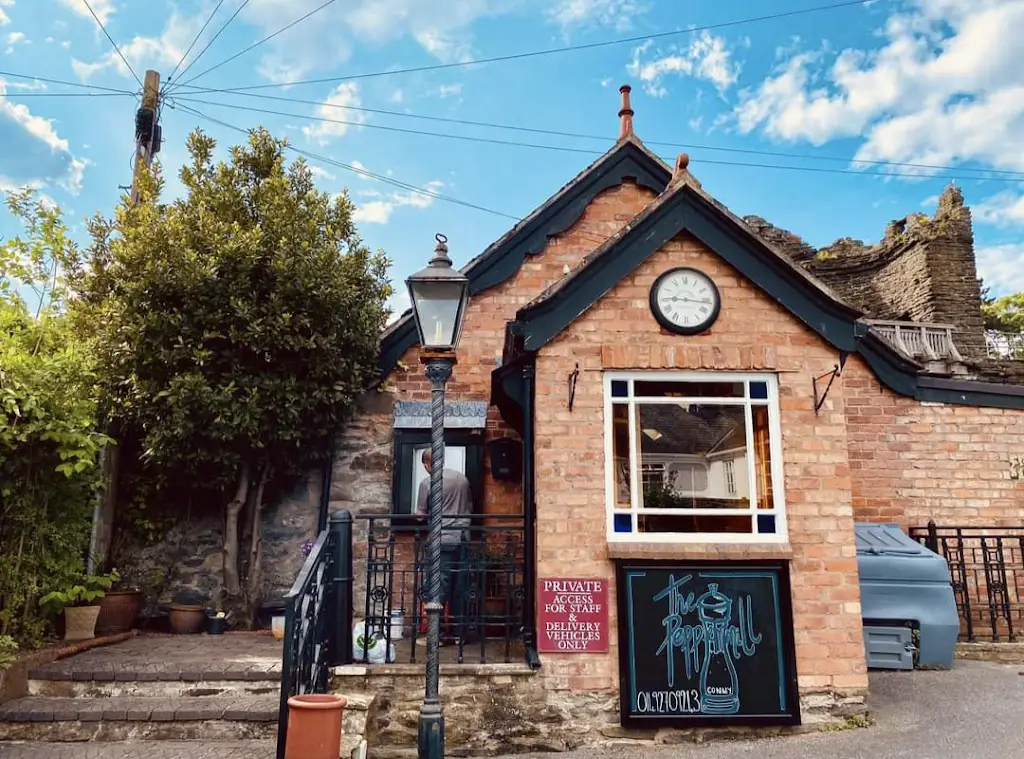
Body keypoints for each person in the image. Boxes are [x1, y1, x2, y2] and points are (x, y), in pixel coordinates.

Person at [416, 448, 473, 644]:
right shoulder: (461, 479)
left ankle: (436, 634)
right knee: (460, 585)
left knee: (437, 585)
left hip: (442, 540)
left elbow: (420, 515)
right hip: (463, 538)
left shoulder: (427, 483)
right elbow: (469, 507)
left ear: (426, 465)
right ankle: (459, 634)